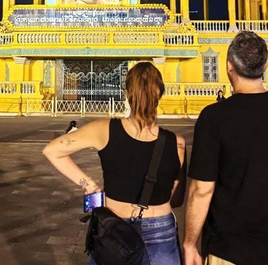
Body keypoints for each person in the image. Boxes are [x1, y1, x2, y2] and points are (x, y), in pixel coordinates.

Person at [183, 31, 268, 265]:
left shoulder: (214, 118)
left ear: (228, 66)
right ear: (265, 65)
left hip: (231, 249)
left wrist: (190, 243)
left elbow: (202, 189)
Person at [43, 62, 187, 265]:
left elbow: (52, 150)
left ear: (127, 92)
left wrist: (89, 185)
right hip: (161, 231)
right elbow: (177, 198)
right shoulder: (177, 143)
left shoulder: (104, 129)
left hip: (114, 229)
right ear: (160, 93)